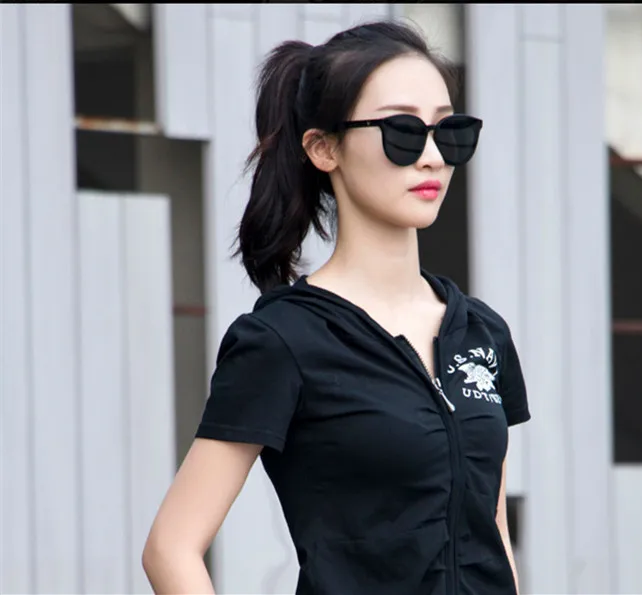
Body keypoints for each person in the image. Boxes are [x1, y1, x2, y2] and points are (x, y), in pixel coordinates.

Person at [142, 19, 530, 595]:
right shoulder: (284, 340)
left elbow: (492, 532)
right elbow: (170, 548)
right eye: (402, 131)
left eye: (448, 131)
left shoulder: (481, 332)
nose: (431, 157)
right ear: (324, 148)